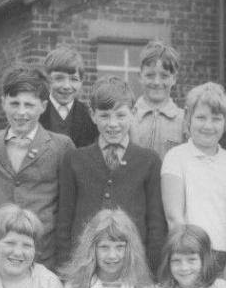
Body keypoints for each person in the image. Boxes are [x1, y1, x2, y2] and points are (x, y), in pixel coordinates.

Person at [56, 77, 167, 271]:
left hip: (132, 266)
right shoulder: (74, 160)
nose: (113, 123)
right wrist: (66, 270)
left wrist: (151, 271)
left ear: (133, 113)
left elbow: (156, 224)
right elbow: (64, 221)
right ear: (93, 115)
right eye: (105, 116)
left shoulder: (149, 161)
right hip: (83, 266)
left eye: (120, 115)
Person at [0, 66, 75, 268]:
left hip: (43, 255)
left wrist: (62, 257)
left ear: (43, 106)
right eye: (14, 103)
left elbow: (67, 208)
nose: (21, 112)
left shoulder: (61, 146)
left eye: (29, 105)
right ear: (3, 103)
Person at [161, 82, 226, 282]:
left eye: (216, 119)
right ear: (188, 119)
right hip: (188, 256)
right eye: (201, 118)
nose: (208, 126)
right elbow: (174, 218)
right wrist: (190, 261)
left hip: (225, 257)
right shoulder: (176, 157)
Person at [130, 40, 186, 158]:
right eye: (150, 75)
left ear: (174, 78)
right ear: (140, 77)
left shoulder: (184, 120)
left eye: (164, 76)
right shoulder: (128, 117)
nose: (157, 82)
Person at [38, 45, 98, 149]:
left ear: (81, 82)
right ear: (48, 80)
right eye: (59, 78)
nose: (66, 86)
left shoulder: (88, 117)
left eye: (74, 79)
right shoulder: (36, 112)